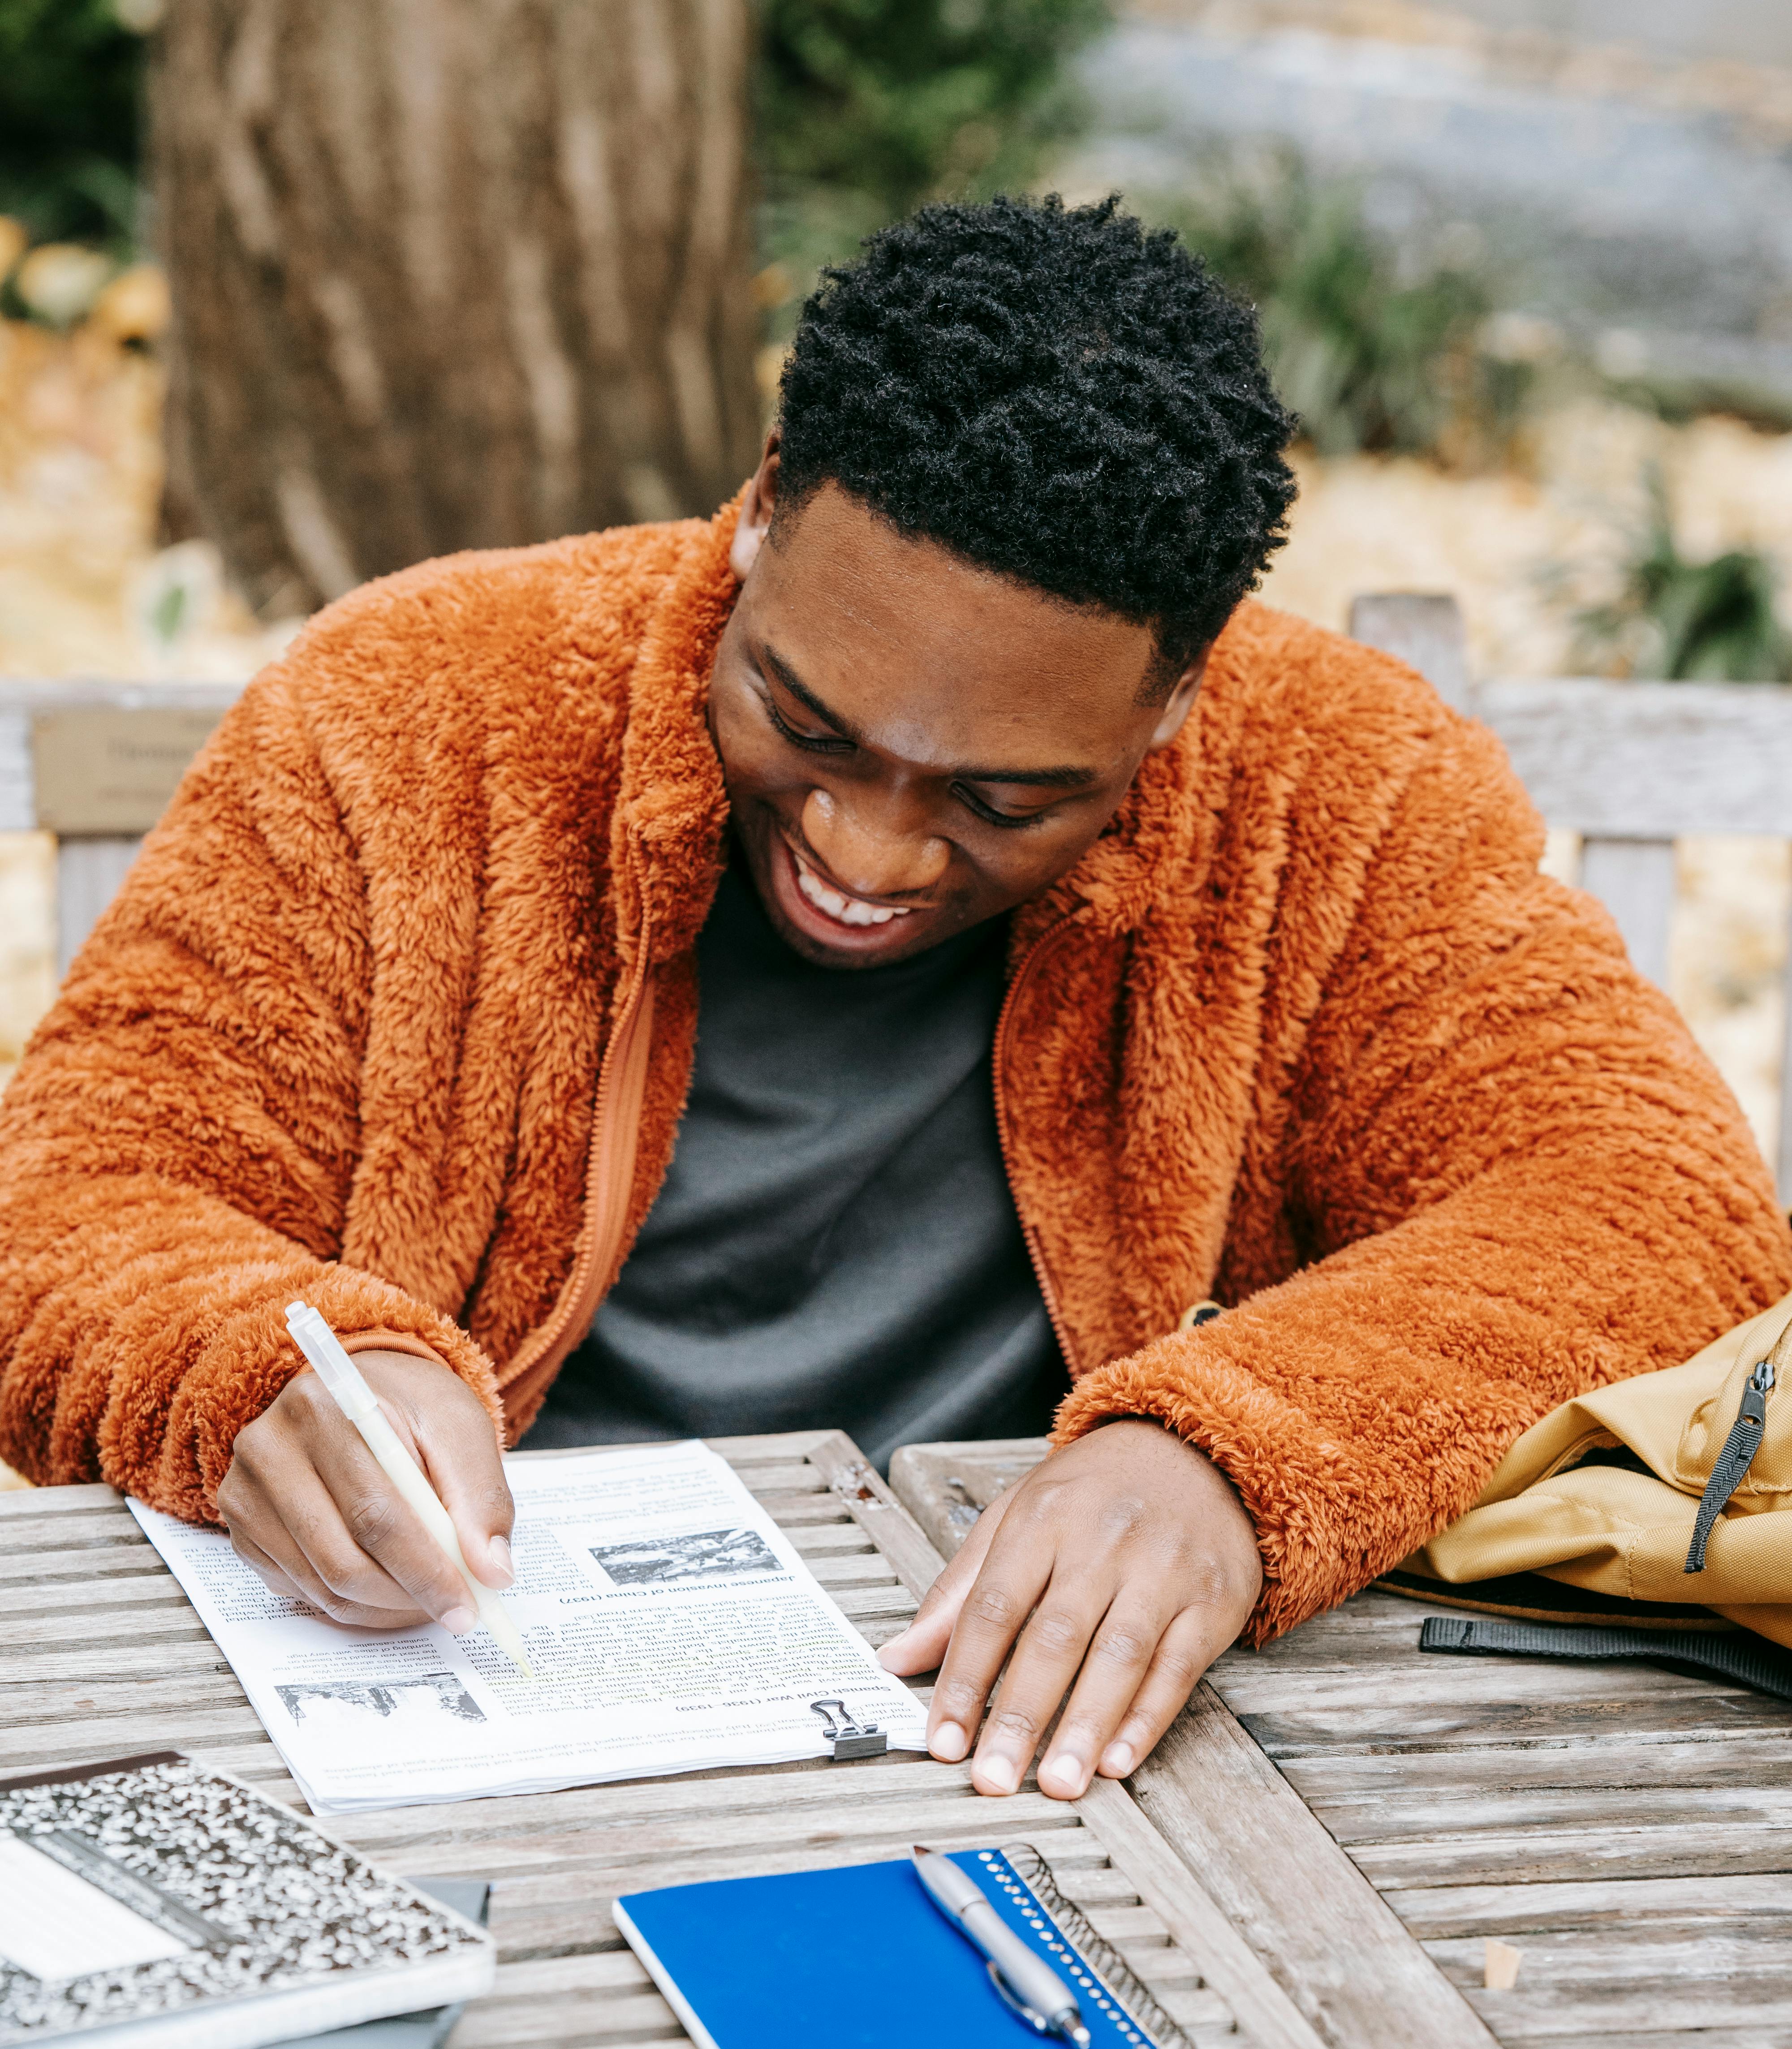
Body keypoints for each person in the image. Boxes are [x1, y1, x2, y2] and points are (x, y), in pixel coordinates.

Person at [1, 197, 1785, 1804]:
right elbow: (68, 1202)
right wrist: (264, 1365)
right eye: (806, 724)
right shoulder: (412, 712)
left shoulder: (1337, 788)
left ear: (1174, 701)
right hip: (454, 1704)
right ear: (769, 499)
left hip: (1046, 1741)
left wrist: (1228, 1457)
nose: (869, 849)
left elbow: (1653, 1206)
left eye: (1004, 801)